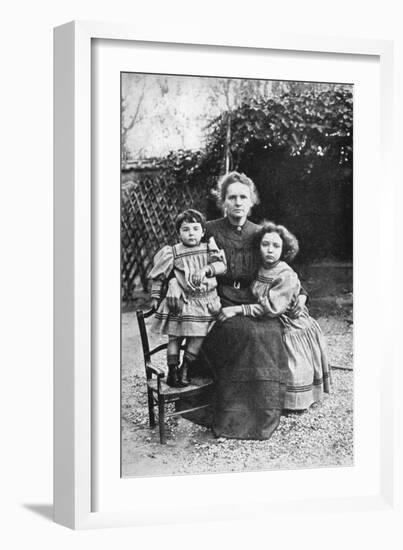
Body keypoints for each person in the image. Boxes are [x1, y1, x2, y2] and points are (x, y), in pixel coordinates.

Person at [166, 172, 307, 439]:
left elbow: (281, 270)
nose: (238, 202)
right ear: (223, 201)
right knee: (245, 333)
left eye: (244, 197)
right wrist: (174, 281)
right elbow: (182, 254)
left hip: (255, 302)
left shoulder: (260, 233)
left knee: (268, 332)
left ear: (252, 200)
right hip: (217, 302)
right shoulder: (208, 229)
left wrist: (301, 296)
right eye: (232, 197)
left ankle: (263, 409)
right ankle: (234, 416)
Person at [219, 221, 331, 411]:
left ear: (284, 249)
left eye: (276, 246)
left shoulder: (284, 273)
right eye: (265, 245)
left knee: (292, 361)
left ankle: (295, 401)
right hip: (271, 313)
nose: (270, 250)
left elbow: (271, 307)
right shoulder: (261, 267)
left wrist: (237, 310)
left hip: (290, 319)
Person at [149, 209, 226, 387]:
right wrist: (155, 296)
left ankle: (186, 367)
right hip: (181, 301)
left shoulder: (208, 248)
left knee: (198, 336)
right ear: (178, 233)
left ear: (203, 232)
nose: (191, 233)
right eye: (185, 229)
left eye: (195, 228)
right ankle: (172, 371)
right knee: (174, 338)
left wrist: (207, 269)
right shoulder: (173, 252)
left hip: (204, 302)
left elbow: (222, 266)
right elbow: (159, 275)